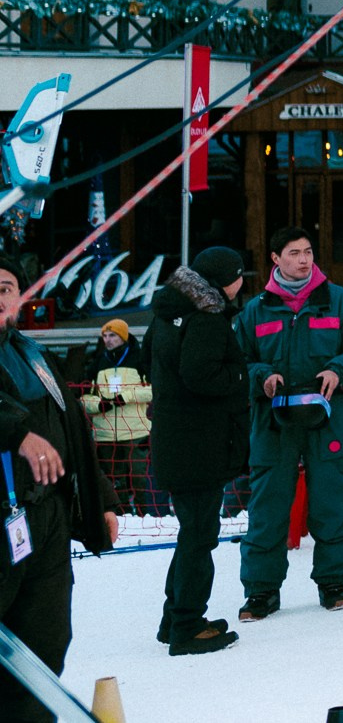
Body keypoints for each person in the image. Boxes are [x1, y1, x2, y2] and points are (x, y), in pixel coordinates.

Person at [233, 225, 343, 621]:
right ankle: (261, 592)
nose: (303, 259)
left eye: (308, 251)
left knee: (332, 503)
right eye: (294, 253)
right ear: (275, 259)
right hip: (274, 421)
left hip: (327, 419)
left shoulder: (340, 302)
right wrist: (262, 375)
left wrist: (340, 369)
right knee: (267, 508)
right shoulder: (255, 310)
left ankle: (334, 584)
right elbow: (238, 361)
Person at [0, 254, 118, 721]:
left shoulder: (33, 355)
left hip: (42, 521)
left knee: (46, 637)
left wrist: (101, 499)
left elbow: (73, 432)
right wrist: (18, 435)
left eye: (6, 286)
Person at [147, 246, 250, 656]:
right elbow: (201, 375)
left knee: (192, 531)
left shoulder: (167, 314)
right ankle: (187, 627)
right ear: (227, 279)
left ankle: (174, 619)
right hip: (200, 446)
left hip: (174, 441)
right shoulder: (207, 319)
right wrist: (239, 373)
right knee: (200, 536)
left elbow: (150, 361)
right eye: (241, 275)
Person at [80, 319, 153, 514]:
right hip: (106, 434)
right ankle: (122, 516)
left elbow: (155, 391)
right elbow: (83, 398)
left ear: (123, 337)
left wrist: (127, 396)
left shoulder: (140, 360)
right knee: (115, 479)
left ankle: (147, 516)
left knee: (140, 478)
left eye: (112, 335)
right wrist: (98, 405)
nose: (108, 340)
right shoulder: (96, 363)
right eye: (104, 336)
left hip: (135, 432)